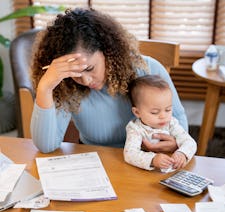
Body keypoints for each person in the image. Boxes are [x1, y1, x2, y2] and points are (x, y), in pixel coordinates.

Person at [30, 7, 188, 153]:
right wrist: (45, 88)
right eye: (74, 73)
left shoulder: (149, 69)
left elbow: (180, 124)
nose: (85, 80)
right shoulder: (66, 84)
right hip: (97, 161)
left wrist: (176, 142)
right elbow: (46, 146)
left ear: (107, 52)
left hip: (147, 159)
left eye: (89, 69)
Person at [124, 75, 197, 171]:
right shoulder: (135, 128)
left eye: (168, 110)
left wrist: (182, 153)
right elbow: (130, 154)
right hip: (145, 172)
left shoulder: (171, 123)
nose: (163, 116)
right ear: (137, 112)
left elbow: (190, 142)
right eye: (155, 112)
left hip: (172, 168)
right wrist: (153, 159)